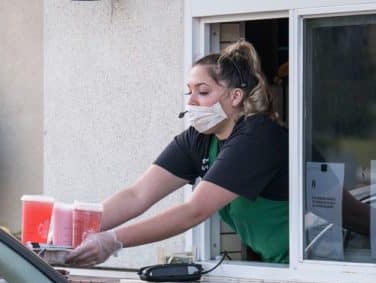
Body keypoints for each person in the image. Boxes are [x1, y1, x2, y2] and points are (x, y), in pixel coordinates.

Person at [65, 39, 289, 266]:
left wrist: (113, 240)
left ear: (235, 96)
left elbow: (195, 210)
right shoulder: (200, 139)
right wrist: (70, 231)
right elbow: (137, 195)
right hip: (279, 262)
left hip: (315, 257)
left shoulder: (257, 136)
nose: (191, 101)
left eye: (202, 91)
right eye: (189, 92)